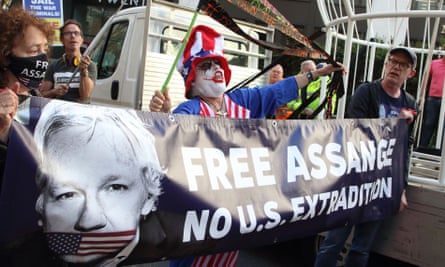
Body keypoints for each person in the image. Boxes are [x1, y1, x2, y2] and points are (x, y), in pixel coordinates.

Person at [149, 24, 344, 267]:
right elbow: (166, 138)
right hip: (198, 219)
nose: (216, 69)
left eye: (218, 63)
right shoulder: (190, 110)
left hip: (231, 216)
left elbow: (278, 91)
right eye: (206, 66)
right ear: (193, 80)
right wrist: (163, 115)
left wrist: (318, 73)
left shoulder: (241, 101)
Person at [314, 47, 418, 267]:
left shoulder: (410, 103)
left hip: (381, 186)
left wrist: (401, 187)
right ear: (386, 64)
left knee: (361, 249)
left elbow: (405, 148)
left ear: (411, 73)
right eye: (393, 61)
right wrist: (395, 125)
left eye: (403, 64)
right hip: (353, 182)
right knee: (333, 243)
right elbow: (357, 133)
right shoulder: (366, 92)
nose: (396, 67)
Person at [33, 101, 164, 266]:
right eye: (67, 194)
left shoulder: (180, 242)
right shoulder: (17, 254)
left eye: (115, 188)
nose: (89, 220)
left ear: (149, 197)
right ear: (42, 203)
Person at [0, 6, 53, 247]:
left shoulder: (38, 104)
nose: (41, 59)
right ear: (7, 54)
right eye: (34, 51)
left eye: (44, 50)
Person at [40, 19, 97, 103]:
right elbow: (42, 95)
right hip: (58, 111)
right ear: (61, 40)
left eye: (76, 33)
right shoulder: (54, 65)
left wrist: (83, 70)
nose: (73, 36)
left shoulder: (90, 65)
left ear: (81, 40)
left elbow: (85, 96)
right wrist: (54, 92)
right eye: (68, 33)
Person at [419, 55, 445, 149]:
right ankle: (422, 147)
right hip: (433, 98)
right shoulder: (434, 63)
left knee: (443, 127)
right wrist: (422, 95)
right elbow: (426, 79)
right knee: (428, 124)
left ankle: (441, 152)